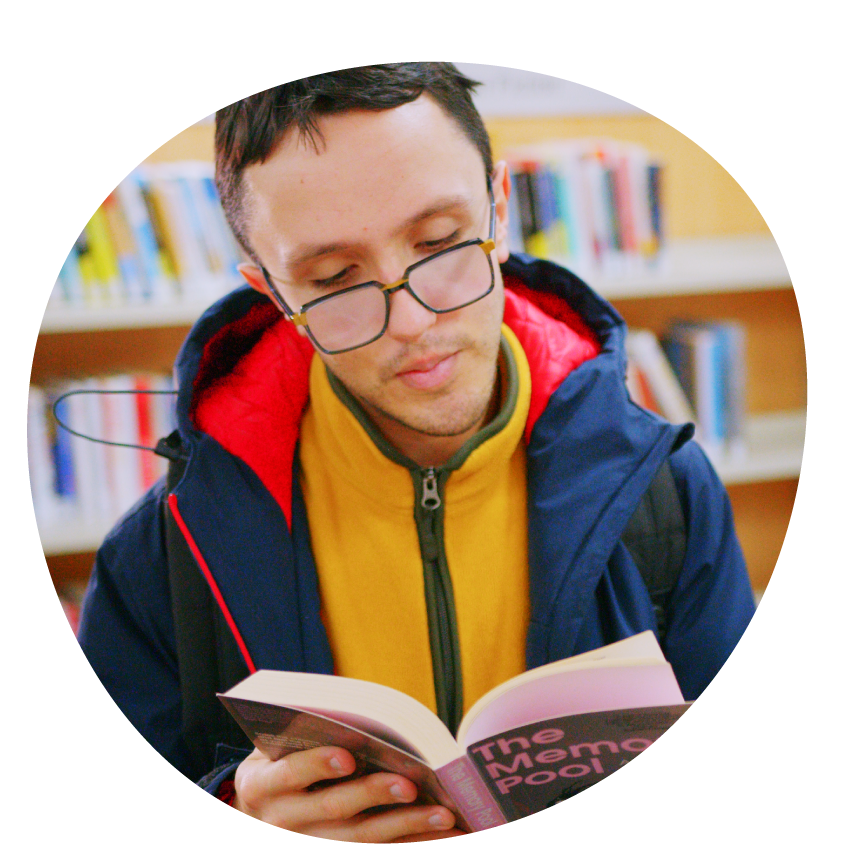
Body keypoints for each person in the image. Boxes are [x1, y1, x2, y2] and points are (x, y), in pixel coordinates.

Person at [78, 64, 755, 840]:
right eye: (335, 280)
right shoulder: (159, 553)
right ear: (273, 294)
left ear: (500, 209)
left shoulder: (667, 493)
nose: (411, 322)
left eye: (439, 243)